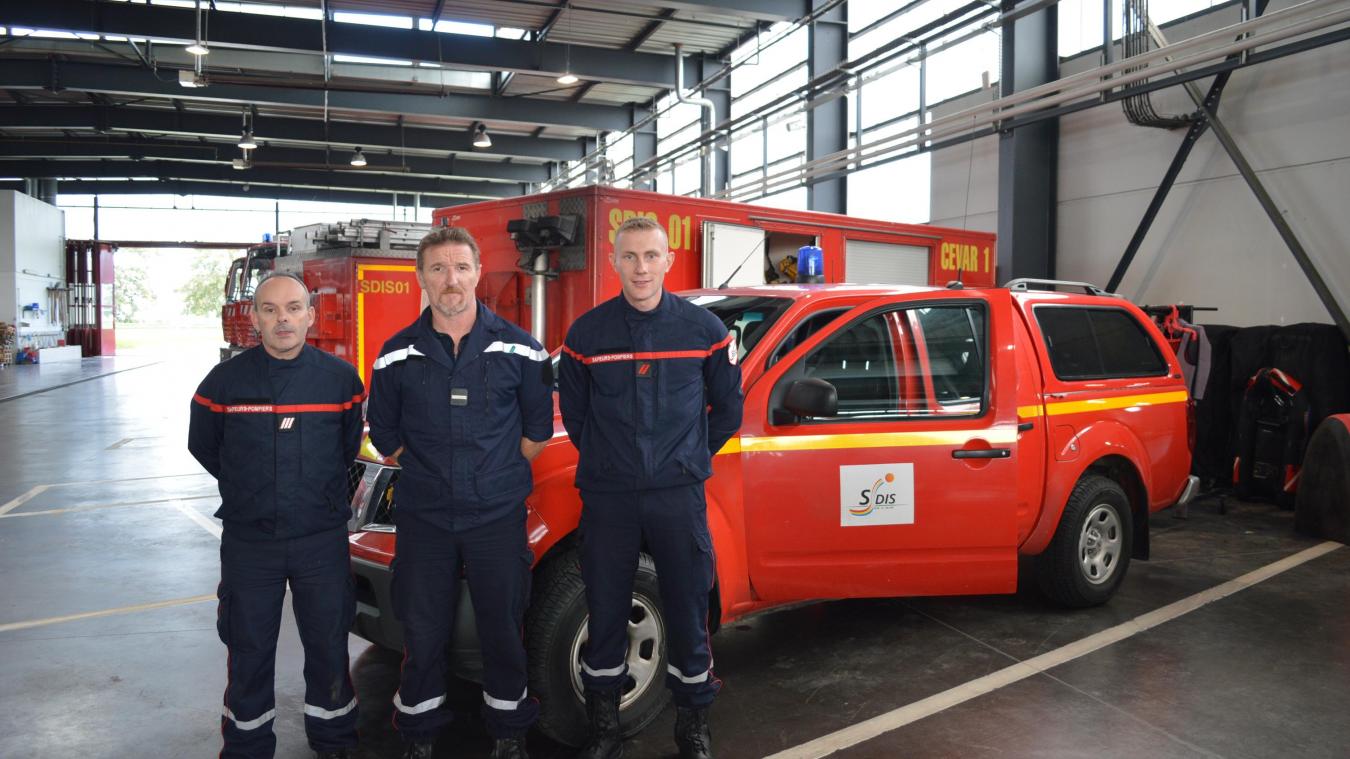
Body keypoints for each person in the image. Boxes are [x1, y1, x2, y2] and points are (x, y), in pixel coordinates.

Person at [558, 216, 744, 759]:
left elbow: (728, 409)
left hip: (676, 495)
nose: (641, 267)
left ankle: (693, 728)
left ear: (668, 261)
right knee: (605, 608)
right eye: (630, 256)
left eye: (651, 256)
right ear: (614, 262)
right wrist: (609, 463)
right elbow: (577, 415)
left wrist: (687, 459)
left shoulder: (705, 332)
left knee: (688, 607)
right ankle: (604, 729)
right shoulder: (586, 336)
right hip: (609, 497)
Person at [366, 226, 553, 759]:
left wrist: (491, 476)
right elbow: (385, 437)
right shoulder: (395, 355)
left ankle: (509, 733)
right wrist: (435, 475)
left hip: (497, 517)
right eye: (439, 269)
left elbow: (537, 433)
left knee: (503, 627)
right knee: (422, 631)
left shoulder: (523, 350)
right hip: (425, 518)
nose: (451, 280)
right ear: (421, 277)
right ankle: (419, 735)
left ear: (477, 273)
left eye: (461, 267)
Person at [188, 272, 365, 759]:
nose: (282, 319)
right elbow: (203, 445)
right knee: (248, 648)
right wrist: (249, 489)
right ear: (254, 318)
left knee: (329, 646)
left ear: (310, 315)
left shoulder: (340, 380)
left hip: (320, 539)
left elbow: (347, 447)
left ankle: (334, 740)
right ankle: (246, 747)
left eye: (292, 308)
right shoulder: (224, 383)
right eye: (270, 309)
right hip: (251, 543)